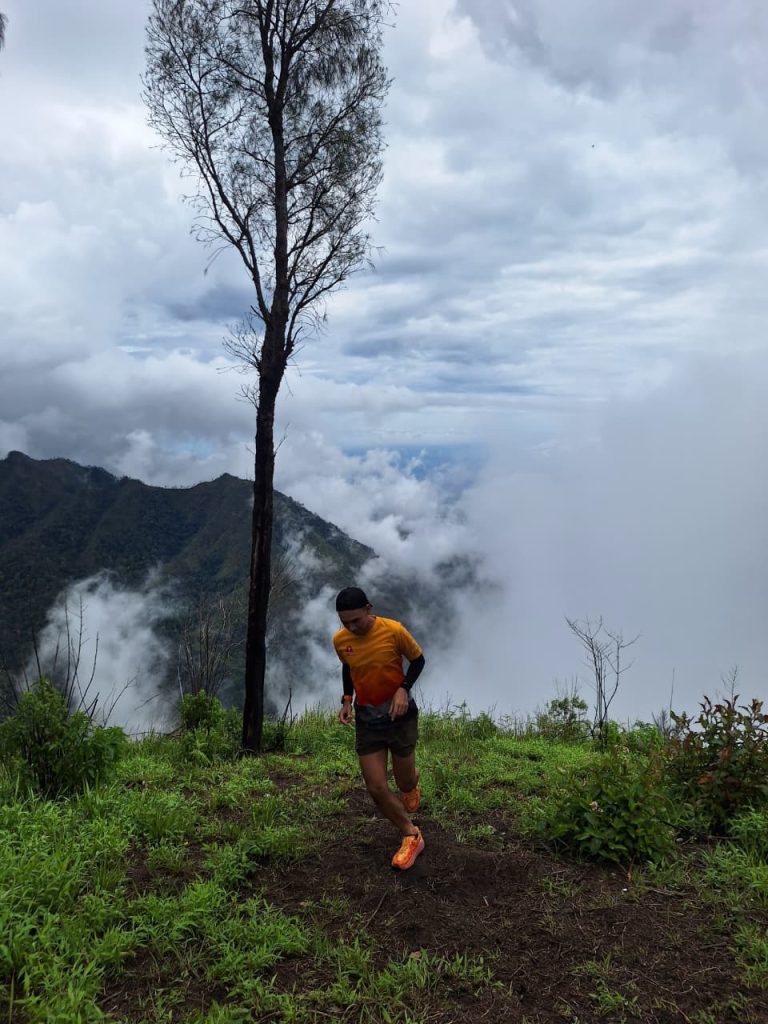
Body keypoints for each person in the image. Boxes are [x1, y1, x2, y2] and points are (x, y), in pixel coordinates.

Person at [333, 587, 426, 870]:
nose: (351, 627)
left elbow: (418, 660)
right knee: (376, 787)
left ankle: (411, 783)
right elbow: (348, 667)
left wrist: (403, 689)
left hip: (399, 715)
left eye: (356, 620)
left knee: (404, 782)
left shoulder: (393, 630)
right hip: (368, 718)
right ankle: (411, 834)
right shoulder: (340, 640)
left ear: (368, 608)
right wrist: (347, 700)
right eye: (345, 622)